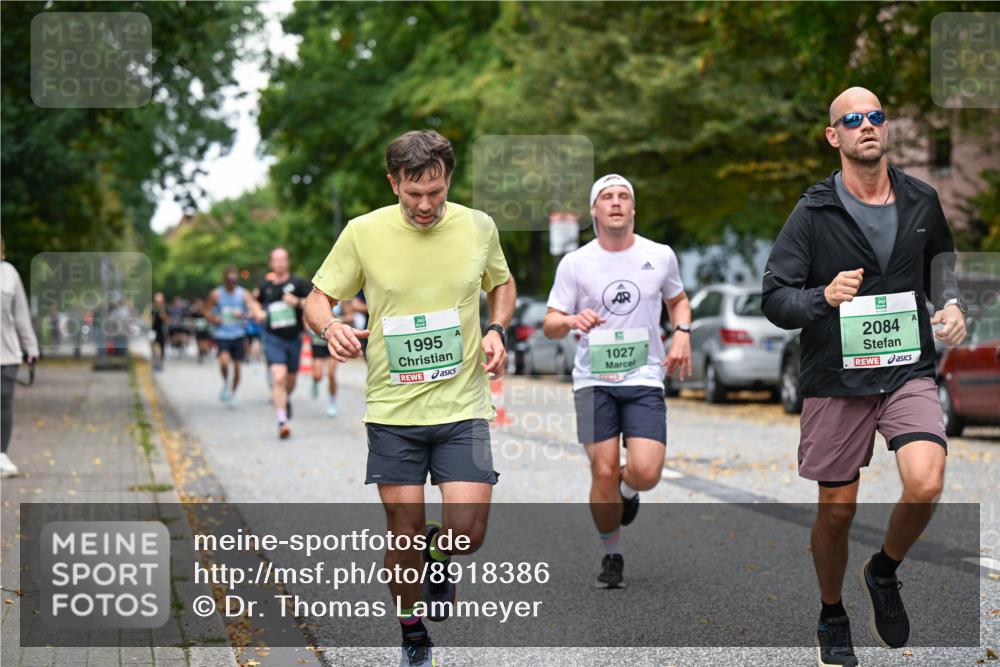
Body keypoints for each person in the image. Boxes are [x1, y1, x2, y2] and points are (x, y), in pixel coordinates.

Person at [761, 87, 966, 667]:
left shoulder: (922, 199)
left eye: (875, 116)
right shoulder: (814, 210)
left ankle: (884, 570)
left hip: (905, 370)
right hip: (836, 376)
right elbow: (774, 298)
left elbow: (942, 268)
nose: (866, 125)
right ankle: (832, 612)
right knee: (837, 511)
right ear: (835, 136)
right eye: (852, 119)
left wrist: (952, 304)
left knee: (925, 483)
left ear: (886, 127)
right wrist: (822, 297)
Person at [304, 130, 515, 667]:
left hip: (462, 406)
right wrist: (331, 327)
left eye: (436, 192)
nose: (425, 205)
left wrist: (496, 329)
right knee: (403, 532)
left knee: (467, 533)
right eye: (414, 193)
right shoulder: (363, 232)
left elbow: (502, 283)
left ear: (449, 181)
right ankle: (413, 633)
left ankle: (438, 552)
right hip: (393, 411)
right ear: (393, 183)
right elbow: (318, 299)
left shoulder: (478, 226)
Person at [541, 174, 692, 589]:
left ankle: (629, 490)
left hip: (644, 375)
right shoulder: (575, 263)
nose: (615, 202)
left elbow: (678, 300)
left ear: (633, 208)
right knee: (602, 471)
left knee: (646, 472)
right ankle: (612, 552)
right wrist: (572, 319)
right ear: (594, 210)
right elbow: (550, 323)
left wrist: (682, 333)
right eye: (606, 196)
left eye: (623, 196)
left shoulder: (659, 255)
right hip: (593, 380)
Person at [258, 249, 312, 438]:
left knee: (290, 381)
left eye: (283, 259)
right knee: (278, 377)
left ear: (288, 262)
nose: (280, 263)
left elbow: (313, 303)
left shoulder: (299, 283)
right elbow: (255, 303)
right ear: (271, 263)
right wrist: (258, 312)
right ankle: (282, 421)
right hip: (273, 338)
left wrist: (296, 301)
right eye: (276, 260)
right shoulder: (266, 286)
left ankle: (284, 398)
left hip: (294, 338)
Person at [1, 238, 40, 478]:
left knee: (4, 400)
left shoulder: (9, 274)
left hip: (6, 352)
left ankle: (1, 454)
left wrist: (31, 348)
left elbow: (21, 315)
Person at [207, 267, 262, 407]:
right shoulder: (216, 294)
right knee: (224, 362)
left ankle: (232, 393)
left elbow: (253, 311)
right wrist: (214, 319)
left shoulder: (243, 294)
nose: (232, 283)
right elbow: (207, 311)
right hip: (222, 334)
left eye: (234, 280)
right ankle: (226, 382)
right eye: (229, 281)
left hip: (238, 334)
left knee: (237, 367)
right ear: (225, 280)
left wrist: (244, 315)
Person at [310, 300, 352, 417]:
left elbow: (350, 316)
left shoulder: (341, 301)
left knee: (331, 375)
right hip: (318, 342)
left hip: (334, 341)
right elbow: (307, 318)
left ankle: (332, 403)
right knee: (317, 375)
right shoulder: (316, 299)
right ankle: (315, 381)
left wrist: (336, 321)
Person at [189, 296, 213, 364]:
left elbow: (210, 318)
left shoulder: (206, 310)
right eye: (198, 302)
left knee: (204, 346)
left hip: (205, 329)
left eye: (200, 302)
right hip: (198, 330)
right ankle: (200, 356)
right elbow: (192, 320)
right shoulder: (194, 312)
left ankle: (204, 352)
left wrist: (203, 312)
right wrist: (192, 326)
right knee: (199, 344)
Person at [150, 292, 168, 371]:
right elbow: (149, 320)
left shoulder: (165, 309)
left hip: (161, 330)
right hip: (153, 330)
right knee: (153, 346)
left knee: (162, 347)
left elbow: (166, 320)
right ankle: (155, 361)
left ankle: (160, 362)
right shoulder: (152, 309)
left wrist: (162, 311)